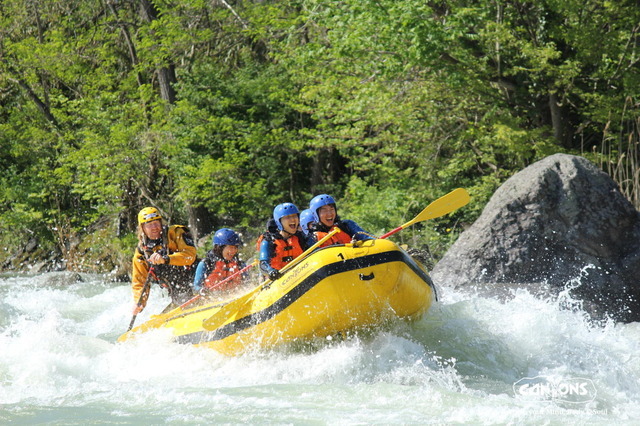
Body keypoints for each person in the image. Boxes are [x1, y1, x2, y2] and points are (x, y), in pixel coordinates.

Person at [131, 207, 197, 314]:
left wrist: (166, 259)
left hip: (195, 281)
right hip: (176, 291)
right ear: (142, 228)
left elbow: (190, 255)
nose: (154, 228)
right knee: (180, 300)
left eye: (156, 223)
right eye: (149, 225)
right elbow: (140, 282)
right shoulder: (141, 253)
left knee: (185, 296)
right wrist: (139, 302)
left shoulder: (175, 233)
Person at [259, 202, 313, 281]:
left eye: (295, 216)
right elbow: (263, 264)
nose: (293, 219)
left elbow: (317, 250)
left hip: (300, 275)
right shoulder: (269, 241)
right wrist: (270, 271)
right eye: (287, 217)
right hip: (277, 280)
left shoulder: (302, 237)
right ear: (279, 222)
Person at [308, 194, 375, 247]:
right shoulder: (312, 238)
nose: (329, 213)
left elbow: (367, 237)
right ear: (316, 214)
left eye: (332, 209)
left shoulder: (346, 225)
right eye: (324, 210)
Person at [193, 228, 246, 293]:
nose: (234, 251)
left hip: (236, 298)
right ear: (220, 247)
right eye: (231, 247)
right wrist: (201, 290)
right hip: (213, 300)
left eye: (235, 247)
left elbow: (247, 282)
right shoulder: (206, 263)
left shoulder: (240, 264)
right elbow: (195, 287)